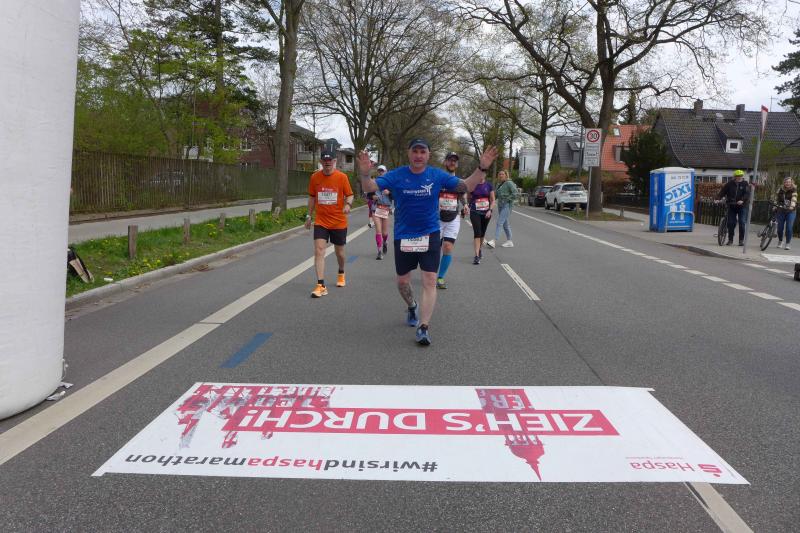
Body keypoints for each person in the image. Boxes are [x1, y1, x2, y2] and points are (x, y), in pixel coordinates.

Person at [358, 139, 498, 346]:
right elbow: (370, 187)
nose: (418, 155)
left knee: (430, 280)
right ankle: (412, 306)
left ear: (428, 155)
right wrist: (364, 173)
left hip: (430, 234)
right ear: (409, 153)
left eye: (422, 151)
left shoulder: (436, 175)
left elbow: (466, 186)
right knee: (402, 282)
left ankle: (423, 327)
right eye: (415, 151)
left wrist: (482, 168)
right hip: (404, 235)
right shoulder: (397, 175)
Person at [305, 150, 354, 297]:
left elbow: (350, 195)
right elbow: (312, 197)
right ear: (321, 162)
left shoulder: (342, 177)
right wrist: (309, 215)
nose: (327, 163)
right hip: (321, 221)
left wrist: (348, 205)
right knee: (319, 250)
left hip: (338, 221)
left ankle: (341, 272)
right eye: (324, 161)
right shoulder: (315, 177)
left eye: (330, 161)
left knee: (340, 253)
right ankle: (321, 285)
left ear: (334, 161)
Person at [436, 152, 469, 289]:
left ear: (457, 164)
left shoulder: (459, 182)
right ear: (445, 162)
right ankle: (431, 273)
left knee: (448, 247)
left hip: (453, 218)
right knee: (434, 249)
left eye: (455, 161)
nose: (452, 162)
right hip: (437, 219)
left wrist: (465, 205)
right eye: (450, 160)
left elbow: (462, 196)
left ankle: (440, 277)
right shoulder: (438, 179)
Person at [715, 170, 750, 246]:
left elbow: (747, 194)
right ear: (734, 177)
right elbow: (722, 192)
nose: (739, 178)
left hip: (742, 206)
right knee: (731, 223)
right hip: (731, 205)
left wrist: (742, 200)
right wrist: (718, 198)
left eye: (740, 176)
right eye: (737, 176)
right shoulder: (729, 184)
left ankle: (741, 240)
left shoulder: (745, 184)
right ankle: (730, 240)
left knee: (742, 222)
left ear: (742, 177)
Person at [469, 168, 496, 263]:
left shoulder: (489, 185)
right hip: (475, 211)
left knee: (482, 233)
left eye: (483, 173)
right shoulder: (473, 185)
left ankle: (479, 249)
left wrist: (490, 210)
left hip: (486, 213)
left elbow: (493, 200)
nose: (481, 175)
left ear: (485, 175)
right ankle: (476, 256)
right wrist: (467, 206)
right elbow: (469, 197)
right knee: (477, 232)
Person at [486, 170, 518, 249]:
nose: (501, 175)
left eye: (502, 174)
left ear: (506, 175)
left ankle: (494, 241)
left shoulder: (509, 183)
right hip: (500, 205)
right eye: (499, 174)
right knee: (505, 224)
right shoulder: (499, 184)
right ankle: (509, 241)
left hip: (507, 205)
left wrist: (507, 199)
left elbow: (515, 193)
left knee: (499, 222)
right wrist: (488, 201)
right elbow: (496, 196)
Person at [371, 165, 392, 259]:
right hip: (376, 208)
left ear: (386, 172)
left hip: (385, 209)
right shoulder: (374, 183)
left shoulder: (390, 184)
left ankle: (385, 242)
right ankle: (379, 251)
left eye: (382, 171)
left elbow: (396, 195)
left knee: (384, 233)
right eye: (379, 171)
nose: (380, 172)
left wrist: (390, 192)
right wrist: (372, 197)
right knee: (378, 230)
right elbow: (368, 195)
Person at [776, 176, 797, 250]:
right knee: (779, 228)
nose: (788, 183)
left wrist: (792, 206)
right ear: (784, 183)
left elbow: (794, 199)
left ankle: (788, 243)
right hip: (781, 210)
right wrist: (775, 205)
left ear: (791, 183)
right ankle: (780, 241)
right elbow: (776, 198)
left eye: (789, 182)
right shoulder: (780, 189)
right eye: (786, 182)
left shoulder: (794, 190)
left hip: (790, 211)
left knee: (789, 228)